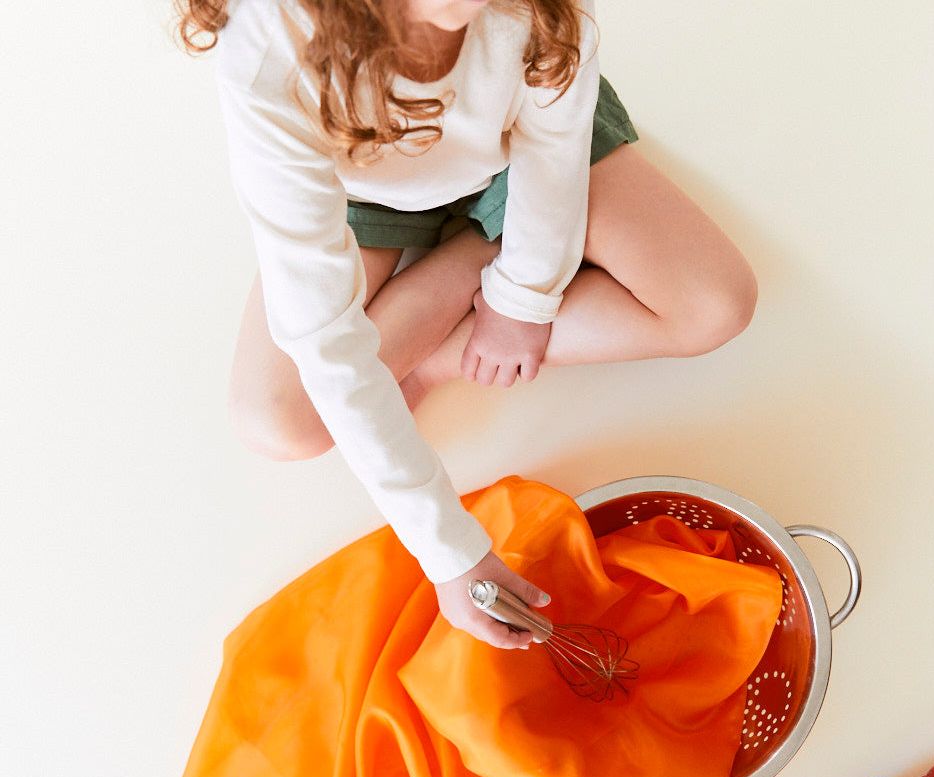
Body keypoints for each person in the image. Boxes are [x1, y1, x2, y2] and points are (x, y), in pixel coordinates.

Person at [172, 0, 758, 649]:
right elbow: (322, 335)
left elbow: (553, 152)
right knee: (278, 422)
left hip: (521, 155)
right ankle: (460, 285)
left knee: (715, 305)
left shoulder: (536, 14)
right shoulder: (269, 50)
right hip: (362, 192)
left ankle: (444, 326)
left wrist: (520, 300)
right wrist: (449, 553)